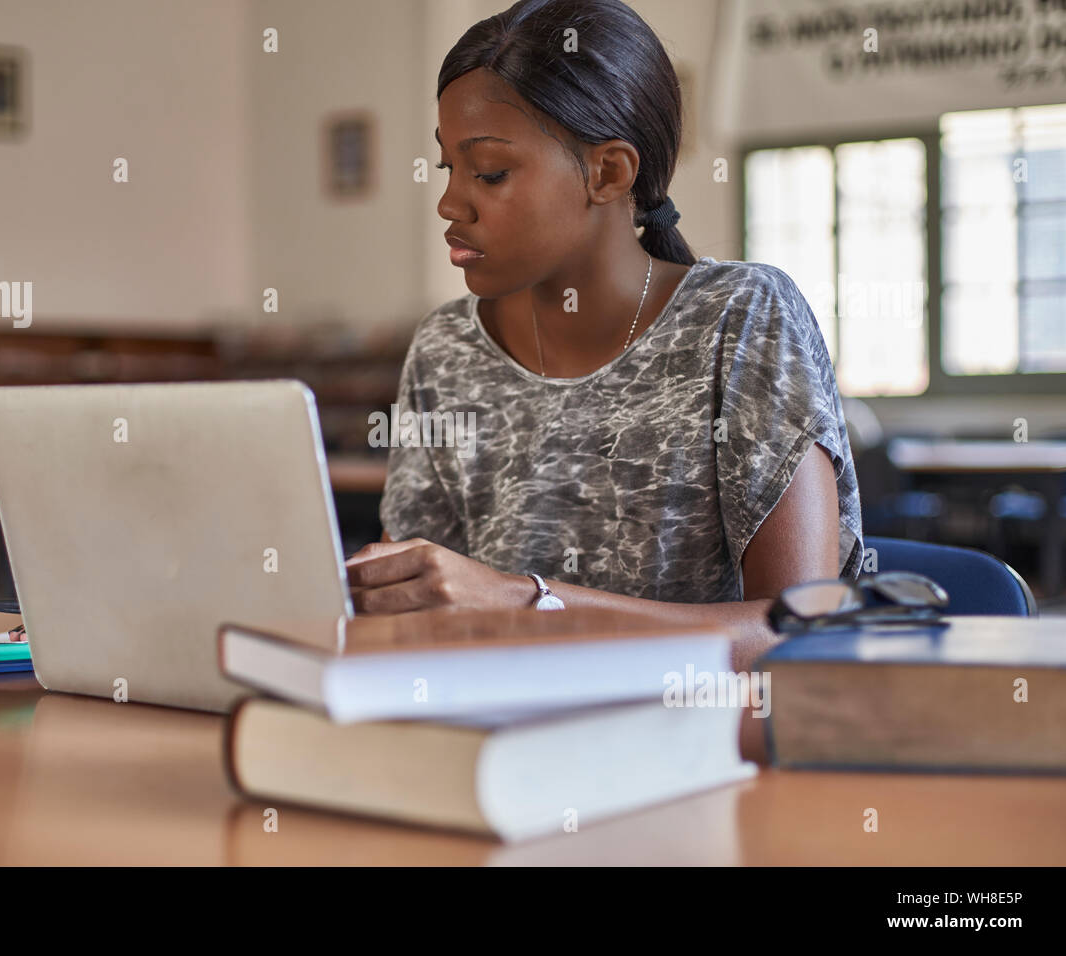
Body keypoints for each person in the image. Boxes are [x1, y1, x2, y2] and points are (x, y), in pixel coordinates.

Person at [345, 0, 863, 671]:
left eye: (491, 172)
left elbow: (801, 627)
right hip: (488, 744)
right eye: (448, 168)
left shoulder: (741, 320)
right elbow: (407, 610)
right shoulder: (446, 350)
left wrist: (528, 605)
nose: (449, 203)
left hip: (691, 749)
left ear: (608, 173)